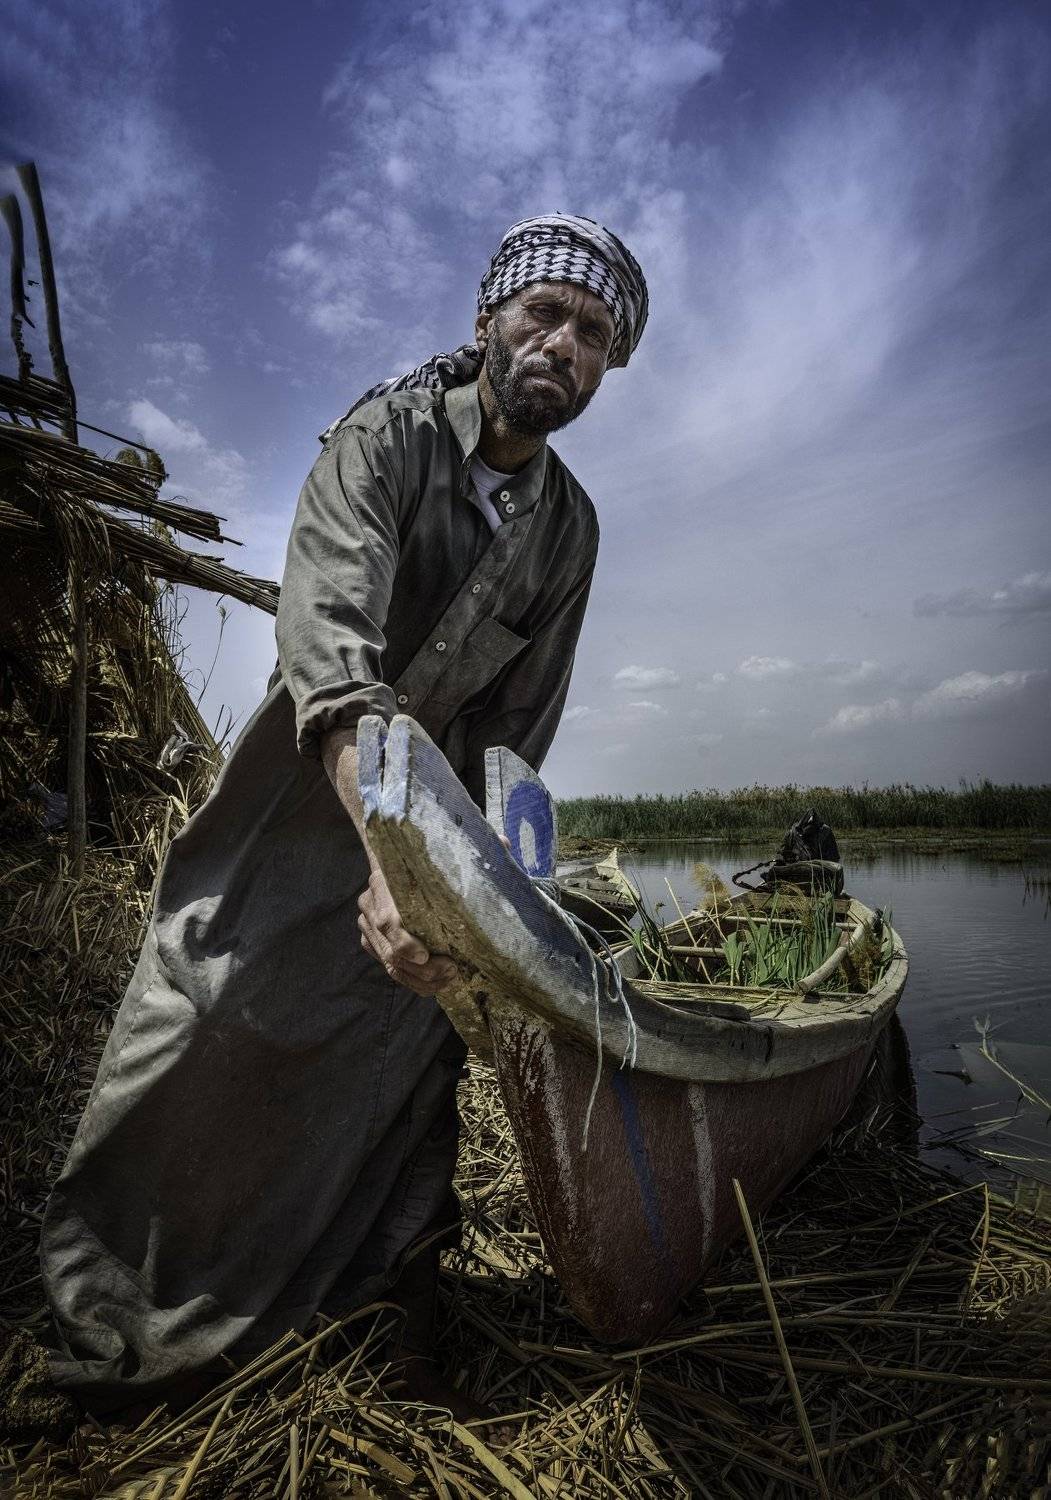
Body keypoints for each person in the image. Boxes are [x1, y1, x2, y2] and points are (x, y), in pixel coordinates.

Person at [40, 214, 648, 1416]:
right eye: (545, 314)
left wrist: (475, 899)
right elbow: (330, 647)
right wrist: (394, 852)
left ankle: (390, 1303)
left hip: (428, 836)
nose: (562, 344)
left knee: (409, 1051)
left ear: (607, 368)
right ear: (490, 322)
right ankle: (105, 1322)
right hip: (299, 802)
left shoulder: (570, 530)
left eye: (591, 333)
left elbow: (517, 737)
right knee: (198, 1015)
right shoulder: (385, 436)